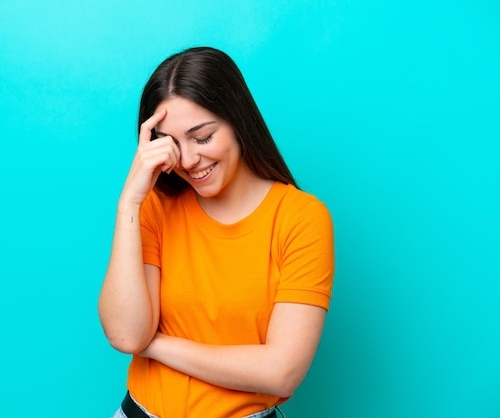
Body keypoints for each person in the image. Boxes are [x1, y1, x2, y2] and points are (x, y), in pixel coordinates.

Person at [98, 46, 334, 418]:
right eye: (172, 144)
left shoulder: (301, 219)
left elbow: (281, 373)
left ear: (238, 121)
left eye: (203, 137)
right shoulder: (156, 206)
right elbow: (128, 335)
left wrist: (156, 346)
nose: (189, 161)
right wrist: (129, 203)